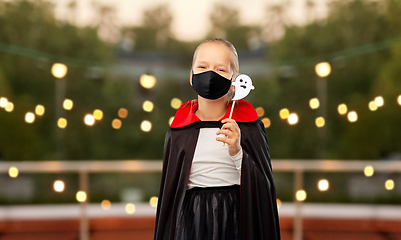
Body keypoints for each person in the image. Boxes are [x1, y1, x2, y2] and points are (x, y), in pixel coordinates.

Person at [154, 38, 281, 240]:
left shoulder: (249, 127)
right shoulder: (178, 132)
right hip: (190, 220)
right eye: (202, 66)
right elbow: (170, 195)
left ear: (234, 80)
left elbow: (264, 189)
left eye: (220, 69)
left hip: (235, 217)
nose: (210, 74)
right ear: (191, 75)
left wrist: (237, 153)